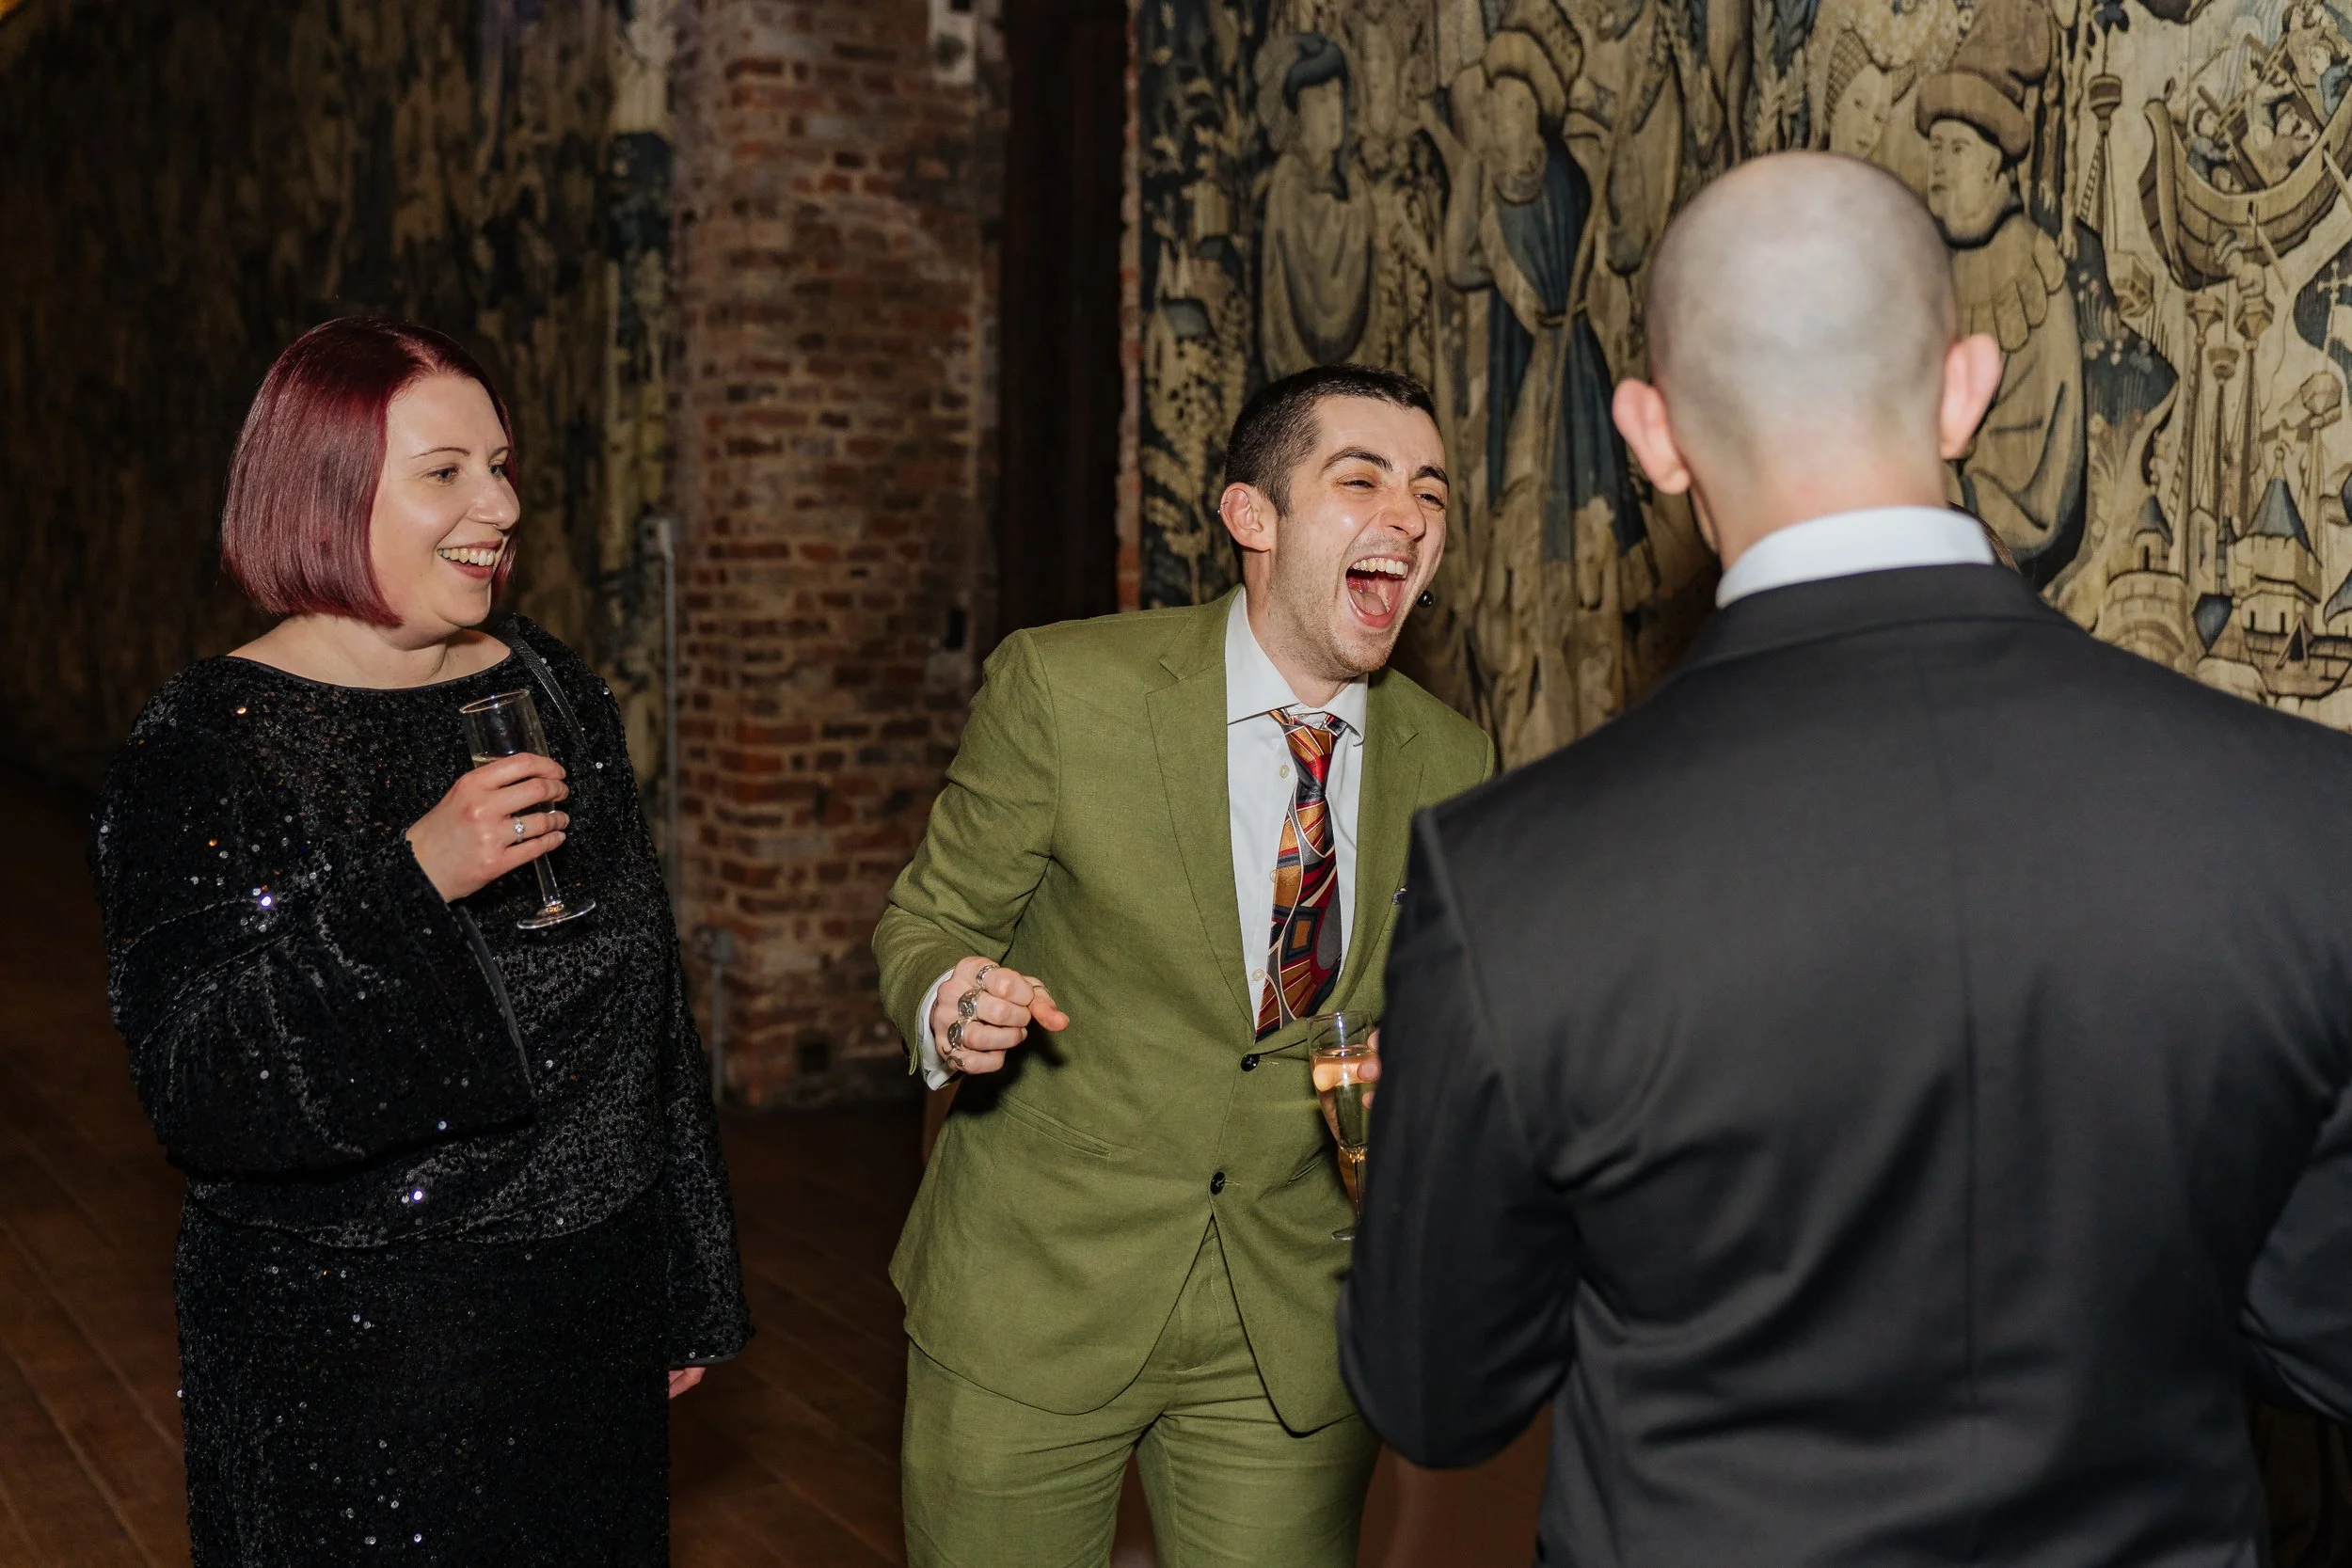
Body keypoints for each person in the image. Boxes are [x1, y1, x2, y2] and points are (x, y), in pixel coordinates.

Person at [1340, 152, 2352, 1565]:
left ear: (1650, 435)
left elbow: (1436, 1392)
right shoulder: (2302, 808)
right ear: (1968, 389)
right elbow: (2325, 1320)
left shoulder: (1509, 875)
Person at [92, 317, 749, 1566]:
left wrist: (686, 1274)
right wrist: (415, 880)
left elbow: (644, 997)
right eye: (444, 471)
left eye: (498, 464)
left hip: (589, 1301)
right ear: (321, 493)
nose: (498, 504)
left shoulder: (546, 681)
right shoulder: (211, 743)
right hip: (357, 1345)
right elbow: (201, 1084)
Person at [875, 363, 1493, 1567]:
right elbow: (928, 918)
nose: (1408, 515)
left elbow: (1428, 1016)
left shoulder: (1453, 758)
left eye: (1429, 491)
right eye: (1360, 479)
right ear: (1252, 517)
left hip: (1291, 1314)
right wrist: (954, 999)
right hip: (1039, 1288)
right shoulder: (1067, 688)